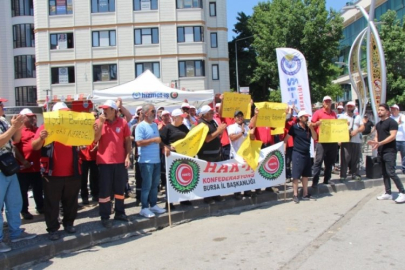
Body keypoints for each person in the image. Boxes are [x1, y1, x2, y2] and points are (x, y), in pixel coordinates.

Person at [32, 102, 81, 241]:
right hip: (52, 174)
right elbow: (34, 147)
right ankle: (53, 229)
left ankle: (69, 224)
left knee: (71, 202)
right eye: (62, 112)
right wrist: (41, 138)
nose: (65, 115)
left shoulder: (74, 127)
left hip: (72, 172)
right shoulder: (45, 127)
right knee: (52, 203)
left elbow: (90, 140)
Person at [0, 99, 36, 252]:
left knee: (14, 202)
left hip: (8, 166)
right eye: (2, 105)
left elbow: (16, 139)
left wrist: (18, 127)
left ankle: (15, 232)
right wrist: (13, 127)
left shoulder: (2, 121)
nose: (3, 107)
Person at [94, 100, 132, 228]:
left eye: (107, 109)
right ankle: (105, 216)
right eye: (103, 109)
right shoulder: (99, 122)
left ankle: (120, 213)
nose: (104, 111)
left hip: (120, 161)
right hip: (104, 162)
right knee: (105, 190)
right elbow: (95, 138)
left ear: (114, 110)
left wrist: (127, 156)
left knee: (119, 190)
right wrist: (100, 123)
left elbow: (127, 141)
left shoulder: (123, 122)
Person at [368, 104, 405, 203]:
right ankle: (388, 193)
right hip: (381, 151)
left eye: (382, 110)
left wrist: (380, 143)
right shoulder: (379, 124)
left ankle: (402, 192)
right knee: (384, 173)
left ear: (387, 112)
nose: (379, 112)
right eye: (378, 110)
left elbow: (392, 136)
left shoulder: (392, 122)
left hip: (390, 151)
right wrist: (375, 142)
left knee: (391, 172)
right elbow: (377, 135)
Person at [135, 104, 166, 218]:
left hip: (156, 160)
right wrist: (154, 140)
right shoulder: (140, 126)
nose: (155, 113)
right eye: (153, 111)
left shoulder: (154, 125)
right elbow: (138, 142)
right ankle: (144, 207)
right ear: (146, 113)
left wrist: (164, 146)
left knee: (155, 185)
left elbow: (158, 141)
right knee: (146, 185)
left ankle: (153, 205)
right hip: (146, 160)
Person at [13, 108, 44, 220]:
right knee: (23, 191)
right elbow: (15, 148)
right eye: (29, 117)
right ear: (23, 118)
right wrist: (23, 161)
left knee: (38, 189)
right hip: (23, 168)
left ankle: (40, 207)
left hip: (36, 167)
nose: (32, 118)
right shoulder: (18, 131)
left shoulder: (37, 129)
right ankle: (24, 210)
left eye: (33, 117)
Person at [284, 111, 317, 203]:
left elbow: (315, 138)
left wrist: (312, 128)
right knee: (296, 175)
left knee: (306, 174)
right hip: (297, 153)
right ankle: (295, 194)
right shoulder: (294, 128)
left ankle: (305, 193)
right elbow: (286, 138)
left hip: (307, 153)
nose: (307, 118)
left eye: (307, 117)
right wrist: (284, 148)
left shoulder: (308, 128)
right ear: (300, 118)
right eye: (305, 117)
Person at [160, 108, 192, 207]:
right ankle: (169, 202)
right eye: (180, 117)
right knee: (171, 179)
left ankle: (184, 199)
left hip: (183, 156)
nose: (182, 119)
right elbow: (161, 141)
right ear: (174, 118)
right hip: (171, 157)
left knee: (183, 176)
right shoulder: (167, 128)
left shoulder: (184, 127)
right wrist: (167, 147)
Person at [197, 105, 227, 204]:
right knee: (207, 177)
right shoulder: (201, 124)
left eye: (212, 113)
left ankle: (216, 194)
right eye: (210, 113)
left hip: (216, 153)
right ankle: (208, 197)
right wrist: (218, 131)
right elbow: (207, 139)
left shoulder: (212, 122)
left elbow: (217, 135)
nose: (212, 114)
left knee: (215, 176)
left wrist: (220, 131)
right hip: (206, 154)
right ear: (204, 114)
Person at [227, 110, 256, 200]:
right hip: (236, 154)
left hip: (245, 155)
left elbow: (252, 138)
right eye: (237, 116)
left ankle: (247, 191)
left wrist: (251, 134)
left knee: (245, 174)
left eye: (241, 116)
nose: (240, 118)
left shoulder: (246, 127)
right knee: (237, 175)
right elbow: (232, 138)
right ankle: (237, 193)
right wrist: (242, 132)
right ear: (235, 118)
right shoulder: (231, 127)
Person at [311, 96, 338, 187]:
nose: (327, 103)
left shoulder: (334, 114)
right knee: (318, 161)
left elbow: (337, 126)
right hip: (321, 141)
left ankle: (327, 179)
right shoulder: (318, 113)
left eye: (329, 102)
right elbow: (311, 125)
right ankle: (315, 181)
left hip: (332, 141)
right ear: (323, 103)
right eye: (326, 102)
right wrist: (316, 124)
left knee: (329, 161)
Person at [339, 101, 365, 181]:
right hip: (346, 140)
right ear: (346, 107)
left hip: (356, 140)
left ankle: (355, 174)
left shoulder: (358, 117)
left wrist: (356, 131)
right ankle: (343, 175)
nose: (350, 108)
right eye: (348, 106)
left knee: (355, 158)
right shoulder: (342, 116)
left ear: (354, 107)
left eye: (351, 107)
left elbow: (362, 127)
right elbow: (337, 129)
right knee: (345, 158)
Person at [79, 140, 98, 205]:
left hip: (94, 156)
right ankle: (84, 197)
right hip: (82, 157)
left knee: (95, 177)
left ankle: (95, 194)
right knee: (83, 179)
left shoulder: (96, 129)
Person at [390, 104, 405, 174]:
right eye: (392, 109)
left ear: (398, 110)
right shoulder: (390, 118)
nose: (393, 111)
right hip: (394, 139)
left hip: (403, 139)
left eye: (394, 109)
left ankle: (404, 168)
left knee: (404, 155)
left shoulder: (403, 117)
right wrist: (397, 123)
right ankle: (393, 168)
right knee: (393, 155)